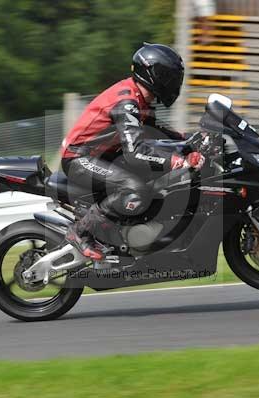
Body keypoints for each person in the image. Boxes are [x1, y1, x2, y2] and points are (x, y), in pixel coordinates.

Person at [60, 43, 205, 260]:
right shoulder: (127, 102)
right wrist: (177, 161)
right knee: (134, 188)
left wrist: (187, 141)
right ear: (156, 75)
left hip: (102, 155)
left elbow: (153, 129)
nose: (175, 82)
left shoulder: (138, 97)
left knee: (153, 178)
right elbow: (135, 150)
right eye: (171, 76)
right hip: (79, 157)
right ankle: (80, 232)